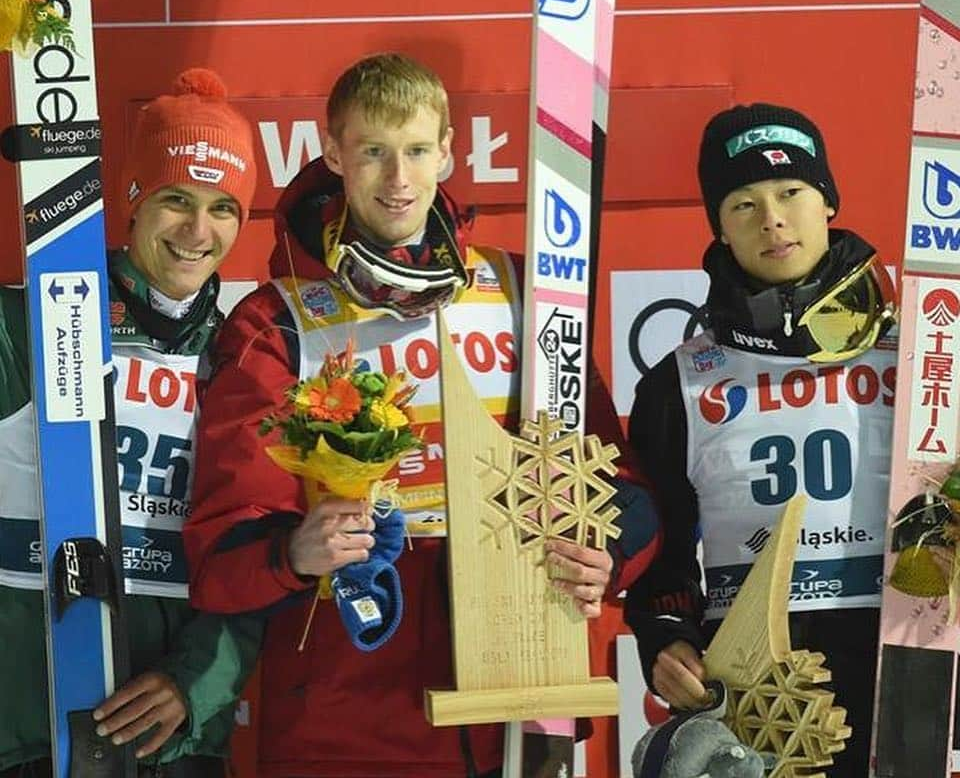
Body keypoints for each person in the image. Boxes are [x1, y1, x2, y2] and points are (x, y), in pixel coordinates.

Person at [183, 52, 660, 778]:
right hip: (347, 725)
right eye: (373, 152)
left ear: (447, 151)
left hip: (518, 701)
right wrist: (293, 552)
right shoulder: (273, 321)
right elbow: (222, 557)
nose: (397, 178)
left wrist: (609, 555)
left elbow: (618, 481)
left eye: (414, 151)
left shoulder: (523, 291)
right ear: (335, 153)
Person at [0, 69, 264, 778]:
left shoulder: (251, 355)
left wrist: (194, 685)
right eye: (177, 199)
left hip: (177, 739)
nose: (197, 231)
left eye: (223, 208)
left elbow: (259, 561)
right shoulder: (23, 325)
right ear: (133, 197)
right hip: (29, 731)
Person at [624, 103, 896, 776]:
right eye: (743, 203)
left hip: (910, 670)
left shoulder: (917, 351)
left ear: (827, 200)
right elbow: (660, 557)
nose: (772, 219)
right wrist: (665, 638)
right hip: (754, 690)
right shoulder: (679, 383)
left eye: (791, 193)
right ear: (718, 224)